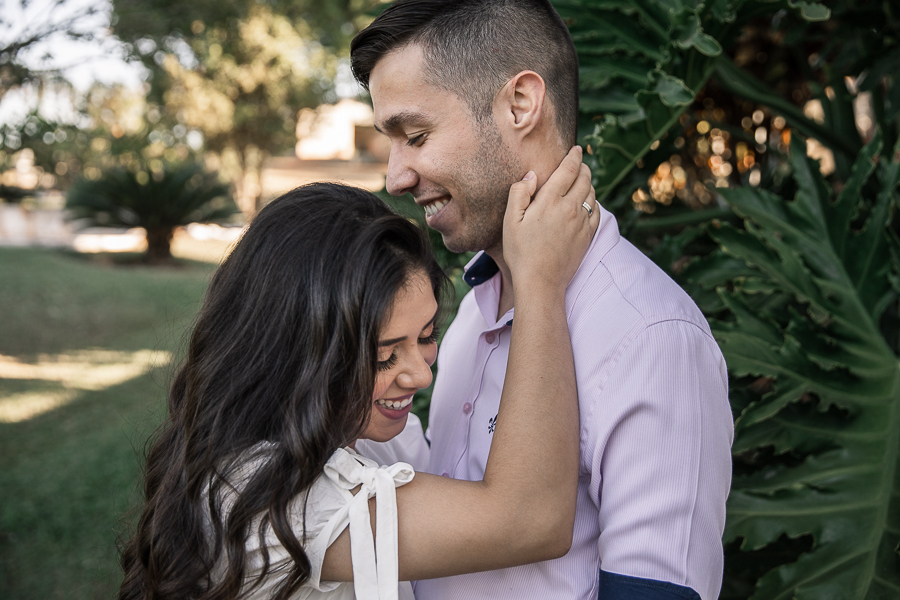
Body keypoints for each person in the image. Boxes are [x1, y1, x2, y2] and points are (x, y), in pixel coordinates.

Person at [350, 1, 735, 599]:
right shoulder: (468, 315)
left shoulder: (651, 337)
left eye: (417, 136)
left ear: (521, 105)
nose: (396, 176)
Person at [117, 150, 599, 600]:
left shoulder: (375, 438)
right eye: (385, 356)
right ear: (300, 353)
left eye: (426, 336)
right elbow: (528, 521)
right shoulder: (264, 496)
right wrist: (540, 280)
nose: (420, 376)